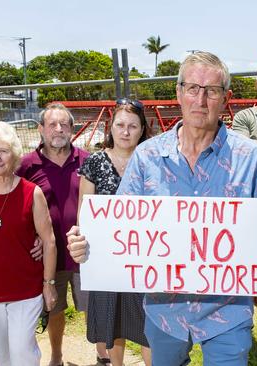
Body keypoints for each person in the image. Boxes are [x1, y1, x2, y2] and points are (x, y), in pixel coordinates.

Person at [67, 51, 257, 366]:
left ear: (226, 98)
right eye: (192, 88)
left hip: (228, 312)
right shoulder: (147, 157)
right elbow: (119, 232)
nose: (201, 99)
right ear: (179, 93)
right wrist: (88, 243)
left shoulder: (251, 159)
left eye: (212, 91)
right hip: (164, 311)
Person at [16, 103, 102, 366]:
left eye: (64, 124)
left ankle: (103, 356)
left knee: (94, 308)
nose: (58, 129)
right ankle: (56, 355)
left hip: (85, 252)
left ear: (72, 129)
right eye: (52, 124)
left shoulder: (88, 161)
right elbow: (16, 207)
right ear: (41, 129)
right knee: (54, 309)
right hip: (49, 256)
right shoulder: (26, 166)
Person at [0, 121, 58, 365]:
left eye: (3, 151)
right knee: (2, 353)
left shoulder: (32, 192)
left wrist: (49, 284)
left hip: (25, 288)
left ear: (14, 154)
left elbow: (49, 242)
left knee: (22, 352)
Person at [77, 98, 151, 366]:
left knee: (148, 328)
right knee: (112, 325)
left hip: (144, 258)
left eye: (132, 125)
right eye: (120, 125)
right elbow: (84, 213)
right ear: (111, 128)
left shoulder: (152, 160)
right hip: (105, 259)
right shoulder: (95, 162)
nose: (125, 131)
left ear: (142, 129)